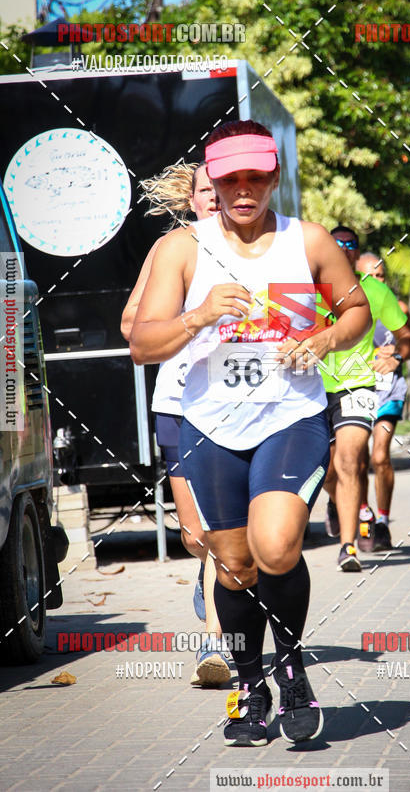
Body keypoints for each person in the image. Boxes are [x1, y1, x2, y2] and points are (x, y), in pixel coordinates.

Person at [129, 120, 371, 747]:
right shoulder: (183, 249)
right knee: (233, 566)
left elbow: (356, 311)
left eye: (255, 176)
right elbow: (141, 344)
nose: (243, 189)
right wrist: (199, 314)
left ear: (273, 176)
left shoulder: (309, 241)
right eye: (230, 178)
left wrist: (320, 339)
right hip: (210, 426)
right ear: (211, 178)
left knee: (278, 546)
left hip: (289, 418)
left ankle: (291, 666)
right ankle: (248, 686)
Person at [121, 160, 231, 687]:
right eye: (206, 190)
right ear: (191, 199)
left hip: (242, 405)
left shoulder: (260, 246)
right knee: (195, 536)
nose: (215, 197)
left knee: (223, 533)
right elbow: (131, 324)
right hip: (179, 404)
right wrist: (191, 315)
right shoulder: (174, 249)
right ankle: (207, 571)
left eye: (223, 187)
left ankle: (218, 643)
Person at [320, 228, 410, 569]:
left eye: (351, 245)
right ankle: (352, 505)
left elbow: (407, 338)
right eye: (337, 244)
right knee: (327, 472)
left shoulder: (375, 289)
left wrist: (396, 358)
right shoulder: (307, 284)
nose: (344, 250)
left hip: (358, 386)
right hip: (314, 389)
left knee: (352, 461)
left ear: (357, 253)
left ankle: (348, 547)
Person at [355, 252, 410, 549]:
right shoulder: (350, 308)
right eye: (369, 277)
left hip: (390, 391)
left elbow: (407, 341)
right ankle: (364, 513)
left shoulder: (397, 307)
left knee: (380, 456)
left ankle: (384, 523)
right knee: (358, 460)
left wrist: (398, 354)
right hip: (359, 390)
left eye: (381, 276)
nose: (377, 282)